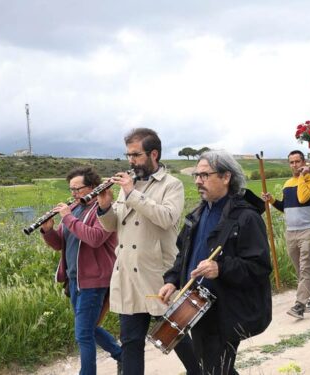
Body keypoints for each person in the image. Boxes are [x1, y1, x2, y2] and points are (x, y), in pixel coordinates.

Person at [96, 128, 199, 375]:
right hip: (127, 277)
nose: (130, 160)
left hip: (158, 276)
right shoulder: (126, 186)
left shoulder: (171, 185)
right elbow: (113, 226)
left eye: (136, 155)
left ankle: (204, 372)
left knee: (176, 335)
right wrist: (104, 206)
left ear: (154, 154)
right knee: (131, 342)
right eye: (128, 155)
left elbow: (167, 218)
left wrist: (132, 193)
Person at [160, 150, 272, 374]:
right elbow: (185, 254)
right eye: (196, 176)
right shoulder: (198, 214)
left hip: (227, 307)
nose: (199, 181)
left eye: (204, 175)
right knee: (215, 367)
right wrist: (172, 279)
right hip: (198, 306)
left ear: (226, 177)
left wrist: (220, 268)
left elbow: (259, 267)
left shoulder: (246, 217)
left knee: (215, 368)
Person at [40, 167, 122, 375]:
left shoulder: (103, 210)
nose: (74, 194)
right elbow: (60, 243)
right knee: (89, 328)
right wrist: (48, 230)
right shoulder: (76, 209)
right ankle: (121, 355)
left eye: (78, 189)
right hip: (75, 279)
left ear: (93, 187)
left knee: (83, 334)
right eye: (71, 189)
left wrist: (67, 217)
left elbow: (94, 238)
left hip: (94, 280)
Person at [262, 150, 310, 320]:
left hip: (308, 230)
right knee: (301, 270)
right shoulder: (287, 183)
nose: (295, 165)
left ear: (303, 162)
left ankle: (299, 305)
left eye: (298, 161)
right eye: (292, 162)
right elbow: (285, 207)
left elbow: (303, 198)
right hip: (291, 232)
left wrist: (304, 176)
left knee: (305, 267)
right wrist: (272, 200)